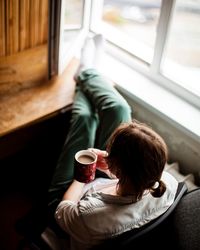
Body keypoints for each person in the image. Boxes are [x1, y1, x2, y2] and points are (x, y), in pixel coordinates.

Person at [45, 34, 178, 250]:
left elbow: (64, 209)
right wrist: (112, 167)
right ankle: (87, 73)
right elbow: (133, 174)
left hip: (68, 205)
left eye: (109, 152)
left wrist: (84, 174)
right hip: (108, 186)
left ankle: (86, 73)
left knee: (85, 120)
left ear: (118, 168)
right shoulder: (167, 183)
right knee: (120, 110)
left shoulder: (88, 216)